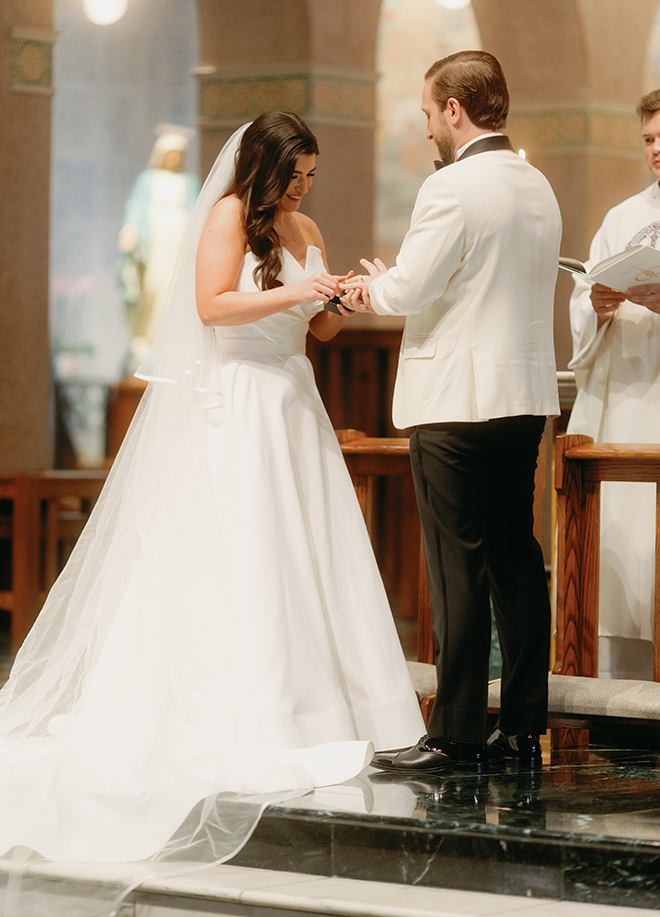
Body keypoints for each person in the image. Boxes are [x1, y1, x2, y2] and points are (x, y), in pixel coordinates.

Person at [0, 113, 423, 871]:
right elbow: (211, 306)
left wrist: (339, 299)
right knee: (248, 549)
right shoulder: (231, 215)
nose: (304, 187)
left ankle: (327, 706)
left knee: (309, 554)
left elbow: (317, 333)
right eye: (296, 175)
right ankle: (248, 707)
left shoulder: (306, 227)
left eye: (312, 176)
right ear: (266, 168)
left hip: (295, 398)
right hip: (240, 397)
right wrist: (294, 296)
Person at [341, 51, 562, 771]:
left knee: (457, 568)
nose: (428, 124)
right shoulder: (537, 184)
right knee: (518, 561)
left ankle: (459, 730)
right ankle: (525, 726)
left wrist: (369, 288)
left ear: (455, 110)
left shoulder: (452, 187)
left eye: (429, 111)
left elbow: (408, 290)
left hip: (456, 405)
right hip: (522, 400)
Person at [566, 89, 660, 680]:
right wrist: (596, 304)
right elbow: (586, 292)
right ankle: (617, 694)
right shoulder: (622, 218)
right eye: (649, 140)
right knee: (622, 538)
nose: (656, 150)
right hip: (625, 398)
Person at [118, 125, 201, 372]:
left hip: (178, 238)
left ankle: (171, 339)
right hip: (154, 240)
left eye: (178, 153)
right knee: (151, 288)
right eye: (170, 153)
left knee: (174, 287)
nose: (174, 158)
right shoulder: (148, 179)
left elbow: (195, 211)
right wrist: (130, 229)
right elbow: (136, 206)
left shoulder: (189, 181)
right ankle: (145, 339)